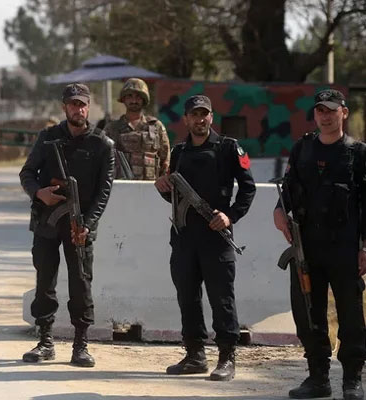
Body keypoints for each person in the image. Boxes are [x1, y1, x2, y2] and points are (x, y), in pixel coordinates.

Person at [154, 95, 255, 381]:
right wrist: (162, 186)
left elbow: (248, 188)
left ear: (211, 117)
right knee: (188, 297)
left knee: (221, 298)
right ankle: (195, 354)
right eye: (194, 115)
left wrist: (230, 215)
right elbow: (174, 196)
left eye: (205, 114)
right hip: (184, 238)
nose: (200, 120)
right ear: (186, 119)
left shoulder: (228, 148)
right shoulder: (179, 151)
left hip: (216, 236)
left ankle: (226, 357)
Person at [273, 89, 366, 400]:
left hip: (345, 248)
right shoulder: (303, 149)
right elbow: (286, 191)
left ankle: (352, 379)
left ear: (343, 113)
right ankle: (318, 378)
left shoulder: (357, 153)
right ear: (315, 115)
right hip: (306, 248)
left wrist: (365, 248)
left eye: (331, 110)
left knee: (350, 314)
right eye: (320, 111)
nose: (325, 116)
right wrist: (278, 212)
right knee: (308, 313)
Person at [19, 83, 115, 368]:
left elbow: (104, 191)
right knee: (44, 281)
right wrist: (39, 193)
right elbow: (27, 173)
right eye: (73, 104)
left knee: (81, 284)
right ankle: (46, 341)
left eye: (83, 104)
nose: (78, 109)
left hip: (80, 225)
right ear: (65, 106)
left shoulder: (102, 144)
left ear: (89, 106)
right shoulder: (47, 138)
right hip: (47, 223)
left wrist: (88, 223)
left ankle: (81, 345)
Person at [105, 78, 170, 180]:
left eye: (138, 97)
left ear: (144, 99)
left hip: (150, 188)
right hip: (121, 189)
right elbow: (104, 161)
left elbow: (165, 161)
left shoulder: (156, 127)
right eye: (130, 96)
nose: (134, 101)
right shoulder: (112, 128)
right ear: (124, 99)